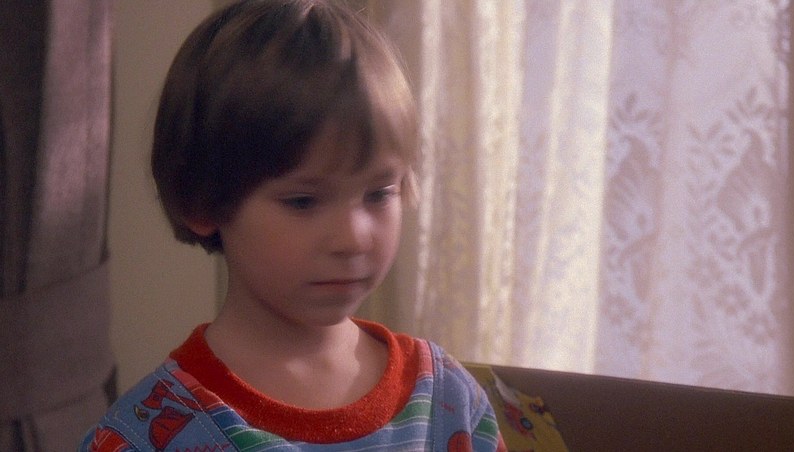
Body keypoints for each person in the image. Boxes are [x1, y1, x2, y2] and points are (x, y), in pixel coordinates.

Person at [79, 0, 505, 450]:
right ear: (202, 201)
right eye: (303, 201)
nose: (354, 238)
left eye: (379, 194)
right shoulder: (144, 436)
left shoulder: (450, 401)